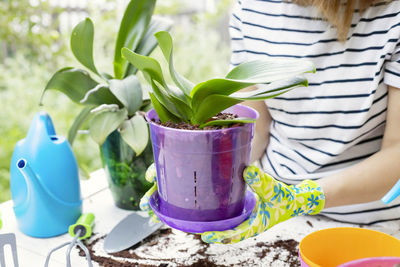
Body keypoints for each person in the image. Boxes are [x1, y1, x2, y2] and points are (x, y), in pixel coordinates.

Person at [141, 0, 400, 244]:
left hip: (369, 226)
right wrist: (194, 170)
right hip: (270, 213)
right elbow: (253, 130)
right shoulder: (253, 6)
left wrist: (301, 199)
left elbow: (396, 153)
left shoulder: (392, 13)